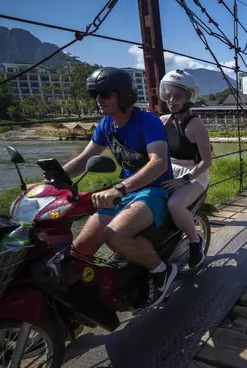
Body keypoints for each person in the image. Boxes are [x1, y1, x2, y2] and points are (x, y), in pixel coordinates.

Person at [62, 67, 176, 309]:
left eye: (105, 94)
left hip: (153, 189)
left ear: (123, 95)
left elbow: (159, 163)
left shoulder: (149, 122)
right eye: (96, 94)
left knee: (115, 235)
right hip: (125, 190)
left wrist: (120, 190)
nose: (99, 100)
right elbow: (83, 159)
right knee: (79, 249)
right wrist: (50, 181)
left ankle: (160, 269)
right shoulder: (106, 125)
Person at [158, 70, 212, 270]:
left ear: (188, 98)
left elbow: (206, 161)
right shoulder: (163, 121)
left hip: (194, 175)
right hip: (169, 170)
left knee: (175, 205)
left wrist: (185, 179)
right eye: (168, 95)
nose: (172, 100)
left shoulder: (195, 125)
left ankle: (194, 242)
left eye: (178, 97)